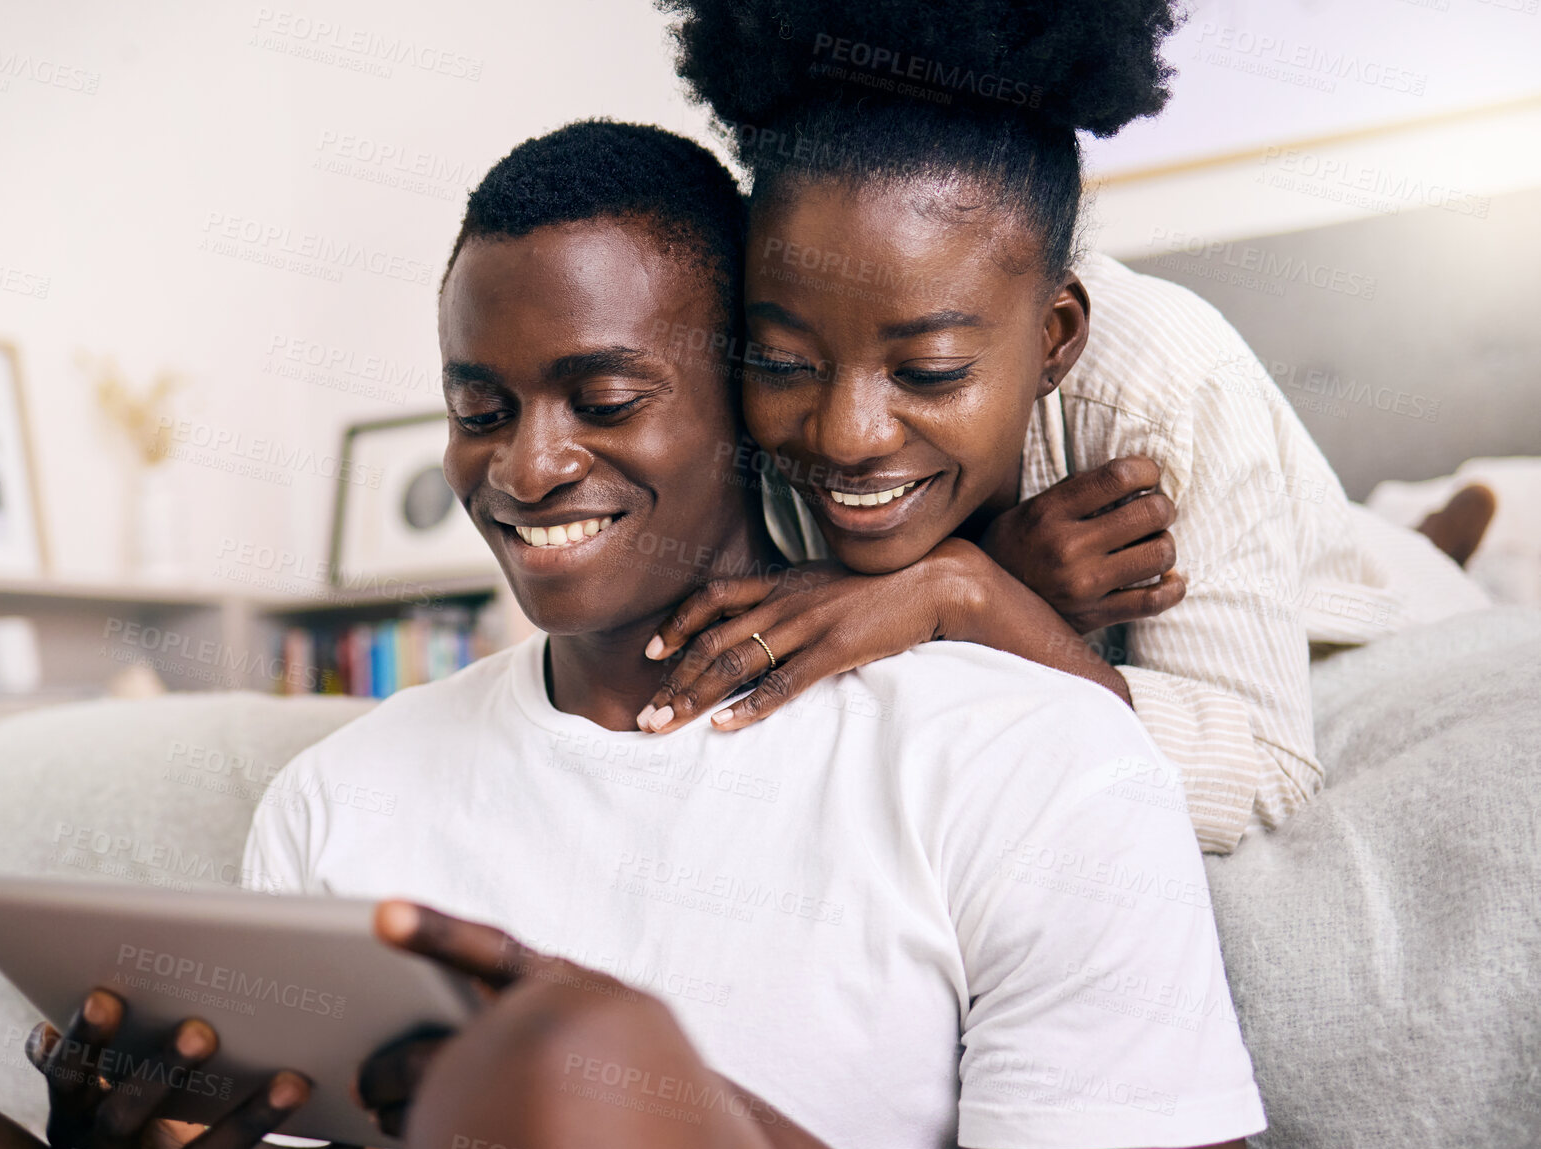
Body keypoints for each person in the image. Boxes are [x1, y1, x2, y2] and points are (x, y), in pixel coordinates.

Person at [0, 120, 1262, 1149]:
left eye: (602, 398)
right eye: (480, 406)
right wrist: (145, 1148)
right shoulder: (343, 798)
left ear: (744, 389)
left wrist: (610, 1073)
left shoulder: (1026, 754)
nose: (525, 467)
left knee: (572, 1067)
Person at [631, 0, 1493, 854]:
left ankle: (1430, 545)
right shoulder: (724, 383)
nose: (846, 437)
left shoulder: (1166, 381)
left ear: (1056, 338)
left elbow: (1264, 783)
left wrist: (965, 591)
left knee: (1380, 570)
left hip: (1335, 597)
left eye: (929, 373)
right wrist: (1008, 574)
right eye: (784, 363)